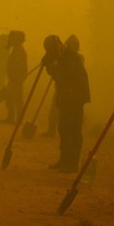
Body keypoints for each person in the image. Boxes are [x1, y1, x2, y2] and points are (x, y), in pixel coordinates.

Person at [42, 34, 90, 172]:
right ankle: (64, 160)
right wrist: (51, 64)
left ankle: (72, 163)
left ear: (58, 45)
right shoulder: (64, 56)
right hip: (66, 98)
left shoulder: (70, 56)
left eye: (52, 50)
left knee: (73, 130)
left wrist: (50, 67)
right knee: (63, 128)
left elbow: (63, 76)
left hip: (74, 99)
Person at [2, 30, 28, 124]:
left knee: (17, 100)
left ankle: (18, 119)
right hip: (13, 79)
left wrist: (17, 79)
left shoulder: (19, 50)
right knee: (10, 99)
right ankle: (11, 117)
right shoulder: (16, 49)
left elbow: (21, 67)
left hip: (16, 80)